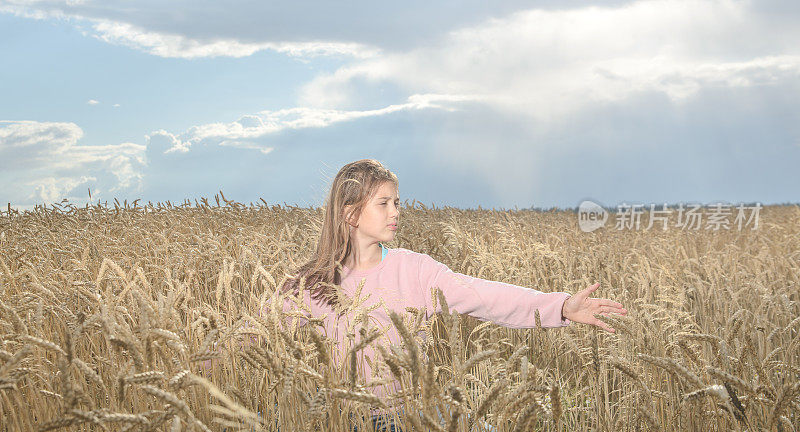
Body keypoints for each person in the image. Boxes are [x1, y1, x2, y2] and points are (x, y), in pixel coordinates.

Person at [276, 159, 627, 431]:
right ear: (350, 212)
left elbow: (484, 296)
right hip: (342, 421)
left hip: (415, 413)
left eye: (397, 202)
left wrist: (561, 305)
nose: (396, 212)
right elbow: (248, 339)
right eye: (383, 203)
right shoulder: (309, 284)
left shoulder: (414, 269)